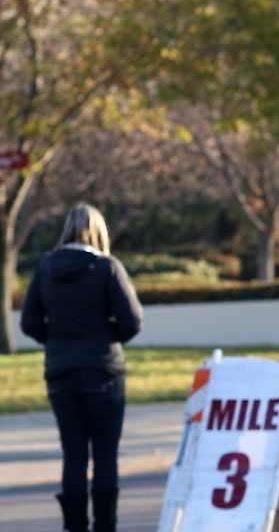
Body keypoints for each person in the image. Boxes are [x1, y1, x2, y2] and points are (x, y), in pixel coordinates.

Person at [21, 204, 143, 532]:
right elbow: (132, 321)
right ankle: (105, 525)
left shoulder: (46, 268)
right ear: (99, 231)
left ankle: (75, 526)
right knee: (105, 454)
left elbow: (30, 322)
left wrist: (57, 340)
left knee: (73, 453)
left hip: (61, 371)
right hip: (103, 370)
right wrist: (106, 337)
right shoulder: (107, 268)